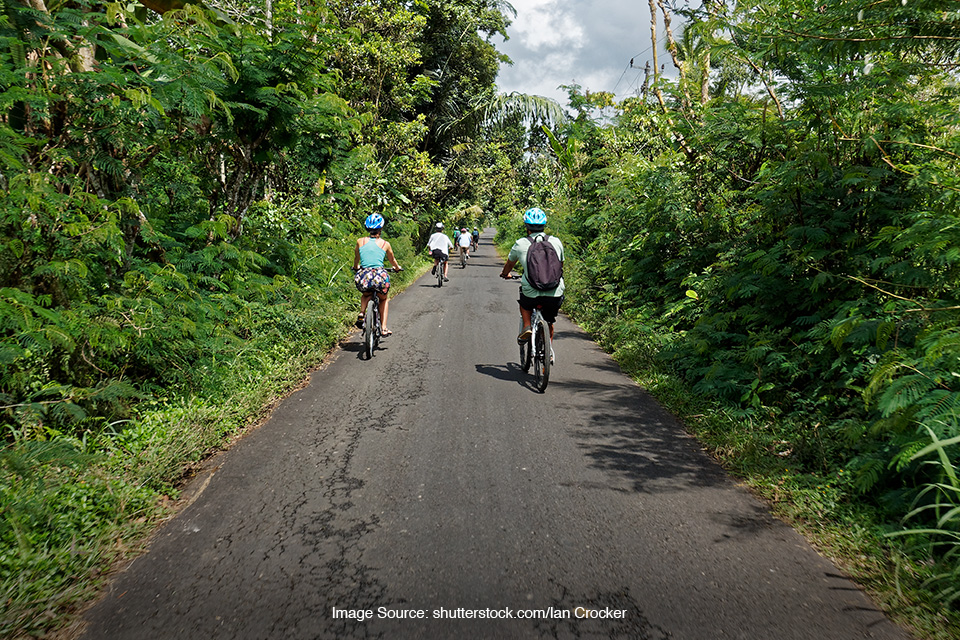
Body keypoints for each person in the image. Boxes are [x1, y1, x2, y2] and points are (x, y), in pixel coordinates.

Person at [499, 208, 564, 358]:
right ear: (544, 225)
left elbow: (510, 264)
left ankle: (527, 326)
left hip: (531, 291)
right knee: (549, 321)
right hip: (554, 291)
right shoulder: (556, 242)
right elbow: (560, 265)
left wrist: (505, 274)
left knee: (525, 303)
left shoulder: (521, 243)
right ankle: (548, 352)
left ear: (526, 226)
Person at [353, 213, 402, 335]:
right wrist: (396, 268)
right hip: (379, 277)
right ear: (381, 229)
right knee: (383, 299)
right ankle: (384, 328)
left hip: (364, 276)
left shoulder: (360, 241)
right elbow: (392, 260)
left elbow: (356, 258)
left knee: (366, 294)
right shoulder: (385, 244)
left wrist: (355, 267)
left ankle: (362, 312)